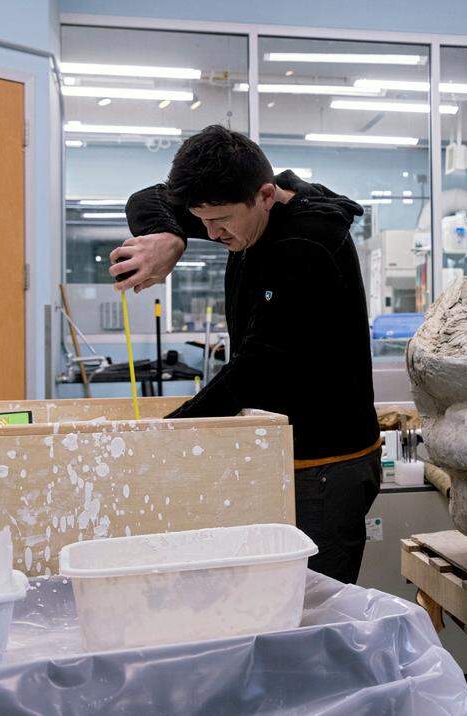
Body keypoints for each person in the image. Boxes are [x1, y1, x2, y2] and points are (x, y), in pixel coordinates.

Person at [111, 124, 381, 584]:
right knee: (271, 603)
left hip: (324, 465)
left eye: (221, 221)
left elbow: (260, 367)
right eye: (201, 220)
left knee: (309, 613)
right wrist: (169, 237)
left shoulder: (306, 244)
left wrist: (168, 433)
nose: (212, 233)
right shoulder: (243, 213)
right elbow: (146, 198)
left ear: (266, 195)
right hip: (281, 450)